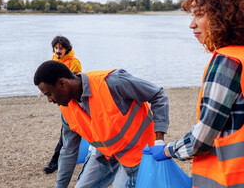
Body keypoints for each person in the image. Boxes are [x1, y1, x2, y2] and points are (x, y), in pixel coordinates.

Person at [149, 0, 244, 188]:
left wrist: (166, 150)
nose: (192, 24)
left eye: (199, 15)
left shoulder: (226, 63)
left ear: (224, 16)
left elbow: (201, 139)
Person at [34, 60, 170, 188]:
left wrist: (159, 141)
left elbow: (158, 95)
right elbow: (69, 151)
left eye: (49, 94)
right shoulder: (66, 110)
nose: (49, 100)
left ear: (62, 84)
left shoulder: (113, 82)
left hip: (138, 153)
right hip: (106, 154)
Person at [44, 36, 82, 174]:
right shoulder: (53, 60)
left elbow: (76, 81)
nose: (58, 50)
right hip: (61, 101)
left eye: (60, 48)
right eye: (56, 48)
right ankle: (58, 160)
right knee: (66, 132)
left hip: (71, 101)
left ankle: (54, 161)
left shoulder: (74, 62)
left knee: (65, 132)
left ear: (66, 48)